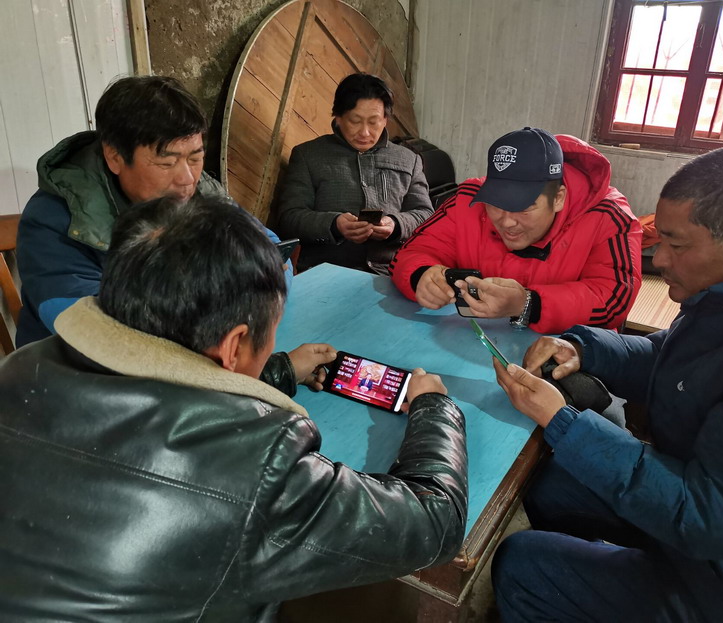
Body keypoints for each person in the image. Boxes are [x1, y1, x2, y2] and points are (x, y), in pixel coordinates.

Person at [0, 196, 468, 621]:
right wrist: (433, 406)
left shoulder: (20, 368)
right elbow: (434, 521)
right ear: (234, 345)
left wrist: (278, 370)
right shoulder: (258, 460)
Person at [490, 146, 723, 622]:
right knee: (550, 484)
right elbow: (675, 361)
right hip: (706, 512)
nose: (659, 257)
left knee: (522, 566)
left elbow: (719, 519)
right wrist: (587, 348)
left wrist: (564, 422)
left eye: (676, 244)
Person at [15, 74, 291, 349]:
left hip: (195, 351)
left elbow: (275, 255)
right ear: (114, 157)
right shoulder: (53, 221)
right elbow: (91, 330)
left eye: (195, 158)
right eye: (166, 163)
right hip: (77, 367)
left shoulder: (200, 189)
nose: (187, 179)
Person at [389, 127, 642, 333]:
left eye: (524, 207)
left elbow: (613, 300)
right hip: (465, 340)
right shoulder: (468, 200)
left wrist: (528, 304)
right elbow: (411, 253)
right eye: (495, 204)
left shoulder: (609, 218)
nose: (507, 222)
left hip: (564, 355)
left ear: (558, 198)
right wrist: (422, 276)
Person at [275, 72, 433, 274]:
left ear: (385, 119)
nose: (365, 132)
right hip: (325, 273)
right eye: (355, 121)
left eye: (373, 121)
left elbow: (426, 215)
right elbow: (289, 218)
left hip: (391, 273)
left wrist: (396, 224)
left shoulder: (409, 160)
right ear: (338, 118)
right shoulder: (308, 155)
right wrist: (334, 224)